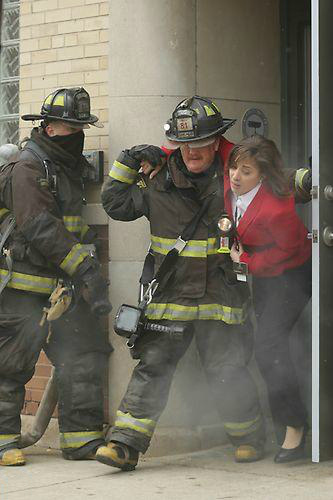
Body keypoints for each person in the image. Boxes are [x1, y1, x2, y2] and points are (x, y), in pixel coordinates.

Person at [97, 96, 266, 471]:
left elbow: (271, 196)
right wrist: (128, 160)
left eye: (201, 143)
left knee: (227, 369)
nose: (192, 151)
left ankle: (248, 436)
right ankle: (124, 444)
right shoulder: (159, 181)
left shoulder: (232, 177)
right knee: (153, 365)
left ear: (216, 142)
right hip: (171, 295)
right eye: (184, 143)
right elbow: (116, 205)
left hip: (220, 295)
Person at [0, 87, 112, 466]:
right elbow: (39, 226)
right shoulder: (28, 167)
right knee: (11, 363)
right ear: (48, 128)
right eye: (69, 127)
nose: (76, 134)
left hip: (64, 287)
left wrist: (88, 267)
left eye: (80, 127)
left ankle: (82, 440)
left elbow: (72, 227)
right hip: (23, 287)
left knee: (83, 355)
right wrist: (84, 268)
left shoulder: (68, 169)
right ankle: (3, 442)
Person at [226, 135, 311, 463]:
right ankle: (288, 424)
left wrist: (246, 263)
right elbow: (217, 146)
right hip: (264, 278)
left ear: (262, 175)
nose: (235, 176)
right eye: (234, 168)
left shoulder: (277, 208)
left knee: (269, 349)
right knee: (268, 350)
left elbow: (292, 249)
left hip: (290, 277)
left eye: (246, 171)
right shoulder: (232, 185)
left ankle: (295, 429)